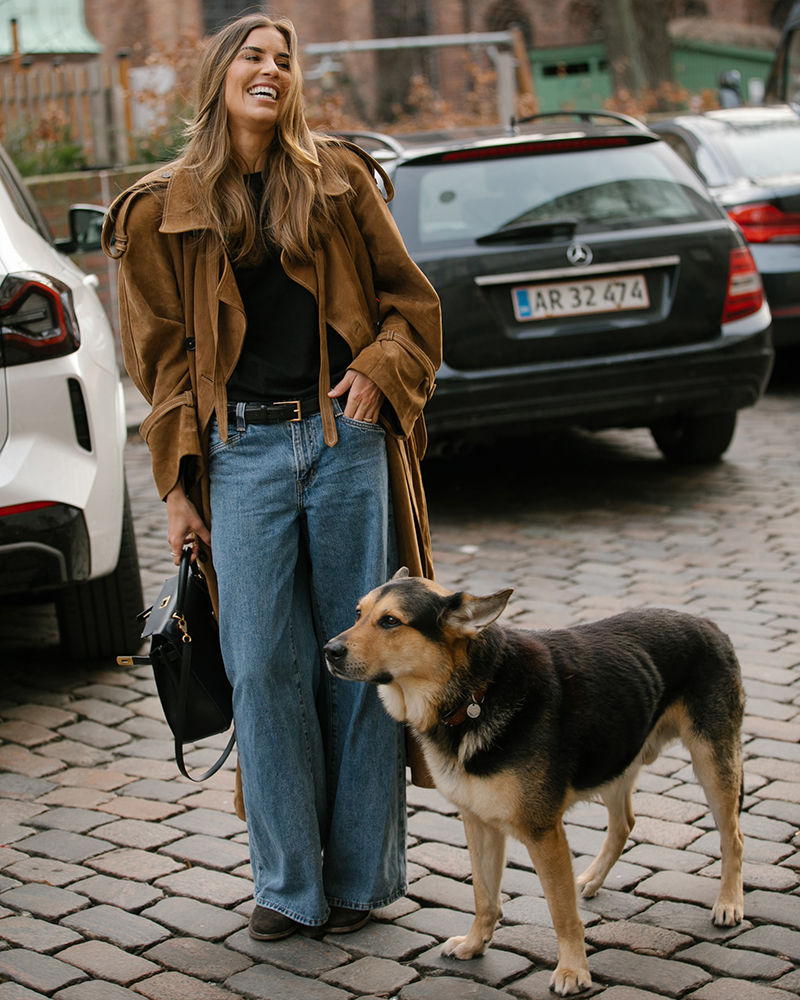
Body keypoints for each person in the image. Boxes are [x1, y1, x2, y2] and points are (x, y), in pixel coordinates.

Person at [102, 13, 441, 941]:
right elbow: (162, 364)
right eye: (253, 56)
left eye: (284, 60)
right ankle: (290, 886)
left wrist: (379, 364)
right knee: (263, 667)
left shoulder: (336, 182)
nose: (271, 69)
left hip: (345, 448)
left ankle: (361, 881)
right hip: (240, 456)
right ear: (220, 76)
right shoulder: (162, 209)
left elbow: (414, 302)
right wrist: (176, 491)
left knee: (367, 663)